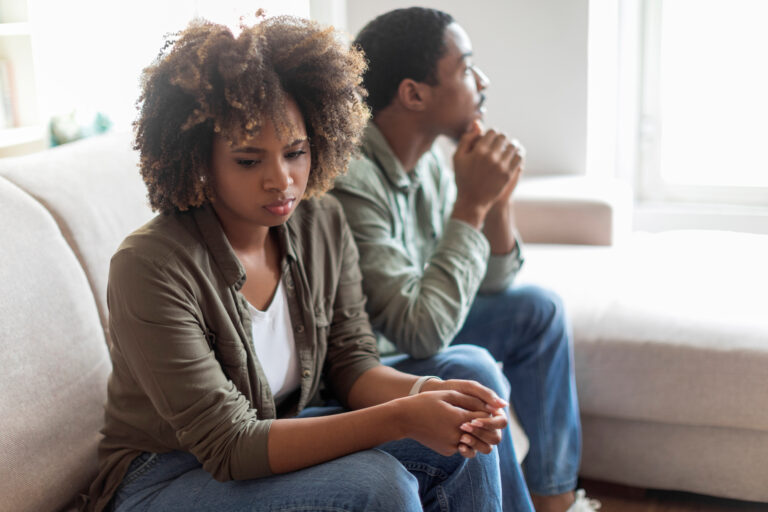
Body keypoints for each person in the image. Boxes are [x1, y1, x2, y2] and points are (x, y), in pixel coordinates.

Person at [80, 14, 526, 512]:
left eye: (295, 152)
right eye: (249, 161)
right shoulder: (151, 265)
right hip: (168, 473)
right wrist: (404, 416)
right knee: (379, 485)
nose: (282, 180)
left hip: (285, 425)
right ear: (200, 160)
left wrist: (430, 394)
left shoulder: (321, 222)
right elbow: (230, 445)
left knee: (465, 422)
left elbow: (351, 364)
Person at [331, 7, 600, 512]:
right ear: (414, 93)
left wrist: (497, 199)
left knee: (537, 309)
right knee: (472, 364)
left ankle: (558, 501)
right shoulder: (350, 180)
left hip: (421, 324)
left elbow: (496, 281)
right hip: (376, 360)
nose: (483, 81)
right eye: (467, 67)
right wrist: (471, 204)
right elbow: (420, 332)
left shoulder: (431, 158)